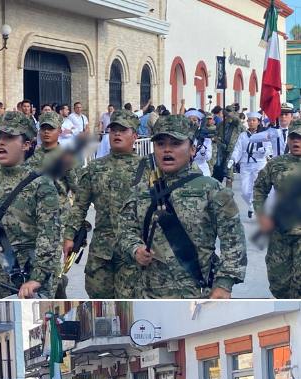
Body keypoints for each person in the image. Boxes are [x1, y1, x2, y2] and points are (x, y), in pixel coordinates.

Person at [120, 115, 246, 299]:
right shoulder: (141, 189)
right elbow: (125, 228)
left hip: (197, 293)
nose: (167, 150)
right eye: (161, 144)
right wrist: (135, 249)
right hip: (148, 292)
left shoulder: (211, 189)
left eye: (176, 143)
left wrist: (224, 284)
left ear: (192, 149)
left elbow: (233, 239)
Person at [0, 110, 62, 298]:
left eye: (9, 137)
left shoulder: (40, 184)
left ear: (26, 145)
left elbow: (49, 236)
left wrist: (37, 278)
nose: (0, 142)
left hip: (24, 281)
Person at [66, 110, 142, 298]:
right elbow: (79, 206)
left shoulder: (147, 168)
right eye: (113, 130)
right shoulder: (95, 167)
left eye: (123, 130)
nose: (117, 134)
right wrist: (69, 235)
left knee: (131, 298)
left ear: (135, 136)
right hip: (102, 249)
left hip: (135, 250)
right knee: (98, 295)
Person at [253, 121, 301, 299]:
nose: (297, 142)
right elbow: (259, 188)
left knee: (299, 284)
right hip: (279, 233)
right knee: (279, 284)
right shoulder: (276, 164)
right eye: (293, 138)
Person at [231, 111, 270, 219]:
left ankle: (256, 208)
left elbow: (269, 149)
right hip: (245, 165)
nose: (251, 122)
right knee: (244, 191)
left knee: (257, 187)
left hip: (259, 164)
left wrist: (264, 151)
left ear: (258, 122)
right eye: (249, 120)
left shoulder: (264, 134)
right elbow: (238, 149)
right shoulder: (243, 135)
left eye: (254, 120)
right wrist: (233, 159)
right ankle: (253, 205)